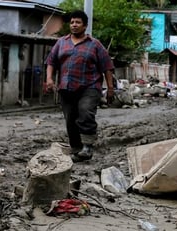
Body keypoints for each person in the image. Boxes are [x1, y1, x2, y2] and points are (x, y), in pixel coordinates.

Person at [45, 10, 114, 162]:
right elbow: (51, 62)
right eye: (72, 22)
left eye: (78, 22)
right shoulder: (61, 42)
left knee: (85, 112)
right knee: (70, 119)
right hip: (66, 88)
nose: (74, 25)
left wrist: (110, 88)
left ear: (85, 26)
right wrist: (49, 79)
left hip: (89, 87)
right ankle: (77, 149)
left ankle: (88, 146)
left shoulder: (95, 45)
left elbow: (107, 67)